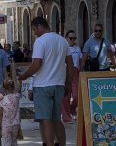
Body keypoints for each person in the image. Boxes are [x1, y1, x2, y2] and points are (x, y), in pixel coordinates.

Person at [18, 17, 73, 146]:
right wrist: (68, 83)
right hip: (59, 84)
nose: (34, 33)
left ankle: (49, 144)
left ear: (39, 26)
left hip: (43, 85)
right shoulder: (63, 41)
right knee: (56, 119)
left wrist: (24, 75)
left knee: (45, 120)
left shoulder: (40, 41)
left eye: (34, 29)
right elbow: (70, 64)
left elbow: (37, 64)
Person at [61, 30, 82, 123]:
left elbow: (80, 60)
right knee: (66, 96)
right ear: (66, 38)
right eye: (71, 38)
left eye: (74, 38)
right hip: (65, 72)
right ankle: (66, 116)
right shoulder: (63, 48)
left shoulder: (77, 49)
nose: (73, 40)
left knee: (76, 94)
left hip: (75, 72)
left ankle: (73, 109)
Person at [0, 78, 22, 146]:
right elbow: (19, 89)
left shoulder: (1, 101)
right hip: (16, 124)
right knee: (14, 141)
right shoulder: (17, 97)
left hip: (6, 125)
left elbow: (0, 114)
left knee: (7, 142)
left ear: (4, 89)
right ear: (14, 88)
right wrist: (19, 79)